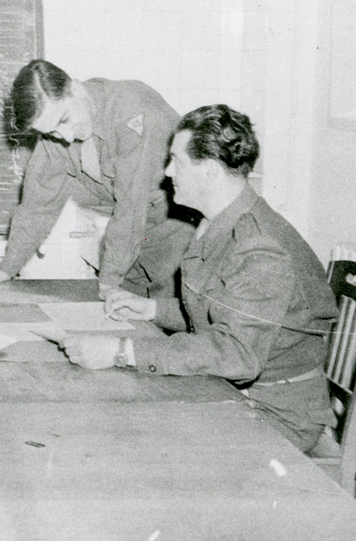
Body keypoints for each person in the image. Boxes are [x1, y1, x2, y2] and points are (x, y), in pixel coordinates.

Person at [63, 105, 337, 452]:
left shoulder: (260, 248)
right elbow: (222, 312)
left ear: (208, 171)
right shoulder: (220, 220)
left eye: (176, 160)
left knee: (135, 443)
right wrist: (151, 309)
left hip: (275, 412)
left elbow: (236, 352)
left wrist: (121, 350)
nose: (167, 171)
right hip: (234, 391)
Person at [0, 60, 195, 301]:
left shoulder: (132, 110)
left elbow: (131, 207)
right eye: (51, 132)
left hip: (179, 229)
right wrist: (6, 269)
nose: (67, 137)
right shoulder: (58, 133)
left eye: (64, 120)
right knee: (128, 316)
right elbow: (38, 203)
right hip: (132, 238)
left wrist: (109, 281)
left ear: (77, 89)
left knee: (169, 316)